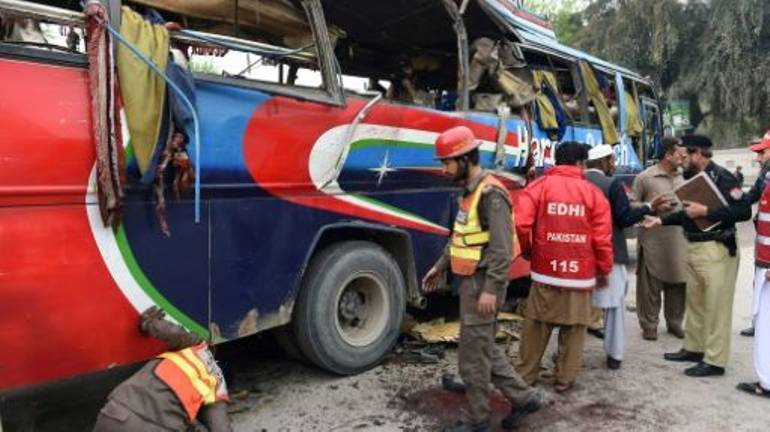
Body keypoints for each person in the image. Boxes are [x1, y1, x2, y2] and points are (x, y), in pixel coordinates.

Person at [422, 126, 542, 432]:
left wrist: (491, 290)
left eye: (447, 162)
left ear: (465, 159)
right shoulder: (470, 193)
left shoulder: (491, 195)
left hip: (484, 283)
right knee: (482, 346)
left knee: (474, 355)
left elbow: (502, 250)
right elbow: (462, 236)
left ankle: (477, 420)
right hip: (470, 281)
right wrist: (440, 265)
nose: (443, 168)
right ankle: (524, 397)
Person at [644, 134, 751, 377]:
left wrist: (708, 211)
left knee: (716, 307)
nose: (681, 159)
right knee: (696, 304)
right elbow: (686, 215)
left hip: (717, 249)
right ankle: (694, 348)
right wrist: (660, 220)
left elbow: (743, 210)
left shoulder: (724, 177)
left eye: (685, 154)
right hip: (694, 247)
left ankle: (714, 361)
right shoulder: (692, 180)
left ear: (699, 154)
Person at [514, 141, 613, 392]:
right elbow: (602, 239)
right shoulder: (593, 194)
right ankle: (564, 379)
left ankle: (526, 375)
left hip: (546, 271)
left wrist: (530, 250)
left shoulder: (539, 187)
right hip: (579, 276)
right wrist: (603, 270)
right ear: (581, 163)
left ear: (557, 160)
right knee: (575, 327)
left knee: (536, 324)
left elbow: (522, 225)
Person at [585, 144, 670, 369]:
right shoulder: (611, 184)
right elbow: (623, 218)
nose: (614, 164)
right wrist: (649, 207)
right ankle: (614, 355)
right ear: (602, 162)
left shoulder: (578, 181)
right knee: (614, 307)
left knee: (577, 306)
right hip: (609, 253)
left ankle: (568, 356)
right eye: (611, 160)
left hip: (581, 254)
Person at [93, 307, 232, 432]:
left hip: (117, 413)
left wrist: (149, 323)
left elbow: (173, 332)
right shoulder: (217, 390)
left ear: (213, 349)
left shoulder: (196, 347)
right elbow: (220, 427)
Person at [630, 136, 688, 341]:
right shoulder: (645, 178)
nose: (683, 156)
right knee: (649, 286)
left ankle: (675, 322)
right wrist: (652, 208)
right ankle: (649, 325)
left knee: (678, 282)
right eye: (679, 152)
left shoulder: (685, 176)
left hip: (680, 240)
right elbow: (630, 206)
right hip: (653, 240)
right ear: (667, 155)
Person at [737, 131, 770, 397]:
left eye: (763, 152)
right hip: (763, 262)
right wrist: (730, 191)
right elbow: (746, 197)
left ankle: (767, 382)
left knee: (766, 325)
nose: (758, 157)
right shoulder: (766, 179)